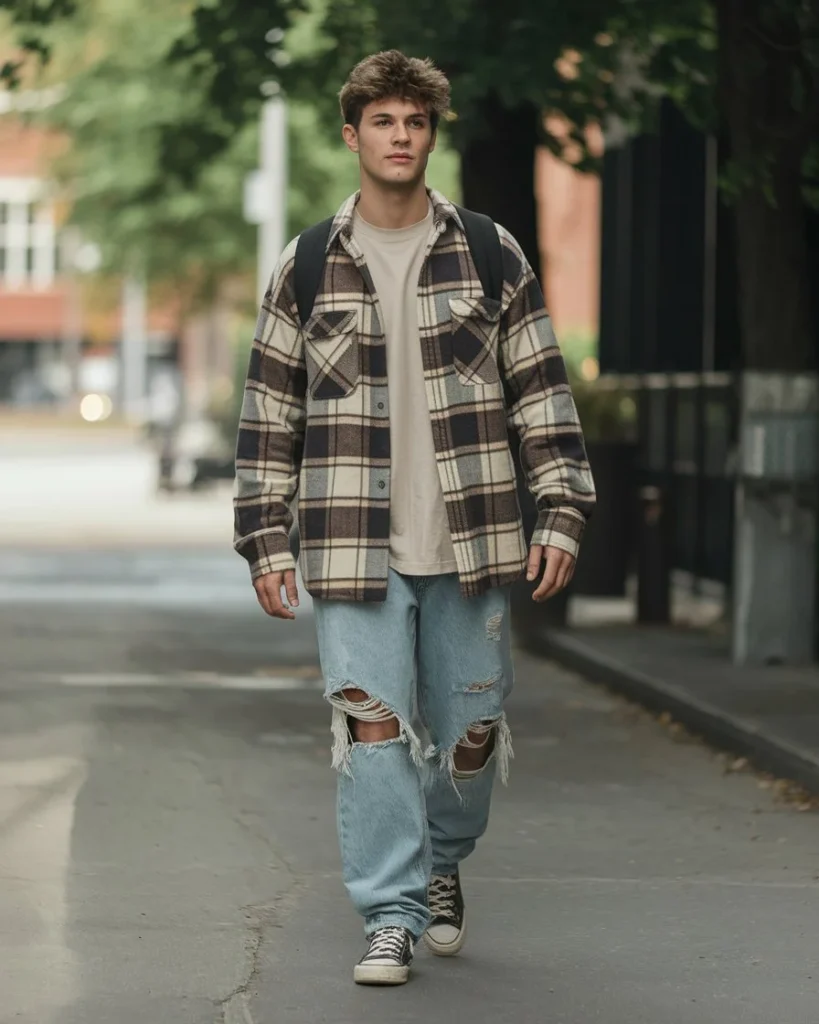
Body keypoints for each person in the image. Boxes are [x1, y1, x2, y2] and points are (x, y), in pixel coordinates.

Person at [234, 49, 595, 986]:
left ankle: (443, 861)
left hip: (472, 540)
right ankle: (387, 913)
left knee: (473, 734)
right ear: (352, 135)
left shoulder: (487, 249)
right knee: (372, 726)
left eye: (417, 122)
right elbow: (270, 412)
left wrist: (559, 510)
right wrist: (263, 536)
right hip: (352, 547)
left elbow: (541, 393)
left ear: (432, 134)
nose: (402, 138)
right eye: (384, 122)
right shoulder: (307, 263)